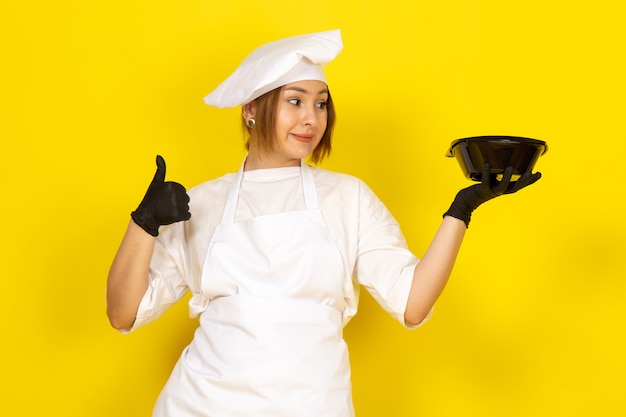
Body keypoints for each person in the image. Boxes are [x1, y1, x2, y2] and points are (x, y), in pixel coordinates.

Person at [106, 29, 541, 417]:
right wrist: (144, 223)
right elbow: (123, 314)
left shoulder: (347, 198)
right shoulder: (199, 202)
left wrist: (462, 210)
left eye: (320, 103)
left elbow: (412, 302)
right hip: (203, 404)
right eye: (294, 101)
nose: (311, 118)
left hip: (314, 405)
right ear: (251, 109)